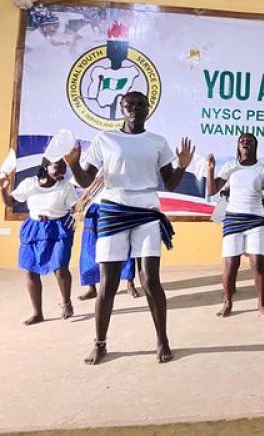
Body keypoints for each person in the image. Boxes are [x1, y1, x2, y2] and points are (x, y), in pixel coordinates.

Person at [65, 90, 194, 365]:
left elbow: (170, 183)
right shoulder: (105, 139)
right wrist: (74, 165)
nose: (134, 108)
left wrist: (182, 167)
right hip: (113, 209)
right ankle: (100, 344)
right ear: (121, 109)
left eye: (139, 105)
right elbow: (87, 179)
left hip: (147, 211)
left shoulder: (157, 142)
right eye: (128, 105)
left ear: (148, 109)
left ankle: (162, 340)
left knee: (150, 280)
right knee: (108, 285)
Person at [206, 133, 264, 318]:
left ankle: (261, 304)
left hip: (256, 220)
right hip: (233, 219)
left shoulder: (261, 169)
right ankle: (228, 302)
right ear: (238, 146)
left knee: (258, 264)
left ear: (255, 145)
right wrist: (210, 170)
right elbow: (212, 190)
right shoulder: (230, 167)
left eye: (249, 141)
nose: (245, 143)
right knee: (231, 264)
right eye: (242, 141)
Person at [1, 158, 78, 325]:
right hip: (34, 229)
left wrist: (79, 208)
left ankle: (66, 304)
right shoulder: (30, 183)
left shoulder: (66, 186)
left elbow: (75, 206)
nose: (62, 171)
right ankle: (38, 313)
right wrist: (2, 189)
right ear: (46, 166)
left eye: (64, 168)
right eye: (58, 167)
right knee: (30, 269)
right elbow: (10, 202)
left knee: (60, 267)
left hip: (59, 228)